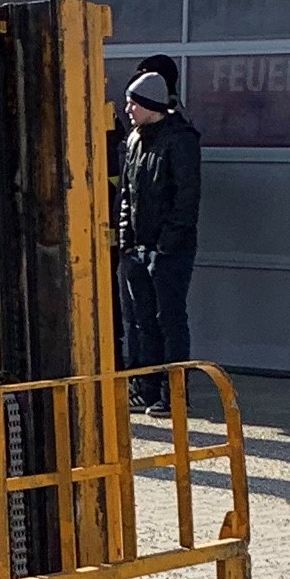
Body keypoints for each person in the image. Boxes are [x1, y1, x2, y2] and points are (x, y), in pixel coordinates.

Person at [116, 69, 203, 413]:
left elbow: (186, 200)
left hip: (169, 253)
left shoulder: (181, 141)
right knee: (142, 322)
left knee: (169, 319)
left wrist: (165, 246)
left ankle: (175, 396)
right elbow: (127, 195)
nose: (127, 109)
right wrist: (127, 241)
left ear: (150, 104)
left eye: (133, 103)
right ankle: (147, 389)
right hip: (138, 250)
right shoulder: (135, 140)